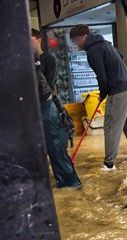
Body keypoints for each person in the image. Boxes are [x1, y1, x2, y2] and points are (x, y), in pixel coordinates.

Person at [69, 24, 127, 171]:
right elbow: (120, 54)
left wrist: (102, 93)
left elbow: (101, 77)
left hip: (118, 89)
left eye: (76, 40)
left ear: (85, 36)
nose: (76, 44)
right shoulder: (104, 43)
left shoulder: (93, 51)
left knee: (110, 125)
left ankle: (109, 164)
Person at [35, 54, 81, 188]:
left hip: (46, 106)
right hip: (42, 106)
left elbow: (47, 89)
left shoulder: (45, 59)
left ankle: (71, 188)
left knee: (57, 152)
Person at [31, 29, 75, 146]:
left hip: (48, 103)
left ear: (39, 39)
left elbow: (50, 83)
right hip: (34, 106)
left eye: (30, 39)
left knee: (54, 142)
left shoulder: (48, 59)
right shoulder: (27, 60)